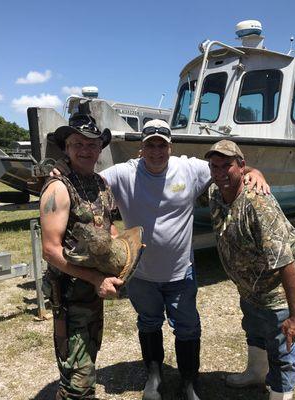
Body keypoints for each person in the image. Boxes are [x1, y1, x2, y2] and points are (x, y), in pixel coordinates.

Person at [99, 120, 270, 400]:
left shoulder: (188, 168)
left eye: (161, 145)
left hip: (181, 272)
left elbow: (230, 168)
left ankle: (189, 381)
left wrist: (256, 172)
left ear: (170, 147)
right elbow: (87, 183)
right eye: (150, 145)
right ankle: (154, 377)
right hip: (141, 273)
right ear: (141, 148)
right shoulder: (123, 173)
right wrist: (61, 172)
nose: (156, 151)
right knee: (149, 322)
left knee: (188, 327)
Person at [205, 140, 295, 400]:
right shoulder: (215, 192)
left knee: (280, 342)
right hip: (250, 281)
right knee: (253, 324)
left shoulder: (258, 204)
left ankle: (280, 394)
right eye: (214, 166)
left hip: (276, 282)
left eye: (226, 165)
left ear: (241, 166)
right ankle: (256, 372)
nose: (219, 172)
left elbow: (285, 262)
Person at [40, 113, 124, 400]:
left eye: (92, 144)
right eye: (78, 144)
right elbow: (50, 250)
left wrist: (122, 259)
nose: (86, 150)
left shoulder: (101, 184)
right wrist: (95, 277)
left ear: (100, 149)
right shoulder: (59, 188)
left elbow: (109, 227)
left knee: (89, 356)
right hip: (70, 294)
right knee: (79, 380)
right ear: (66, 147)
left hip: (93, 294)